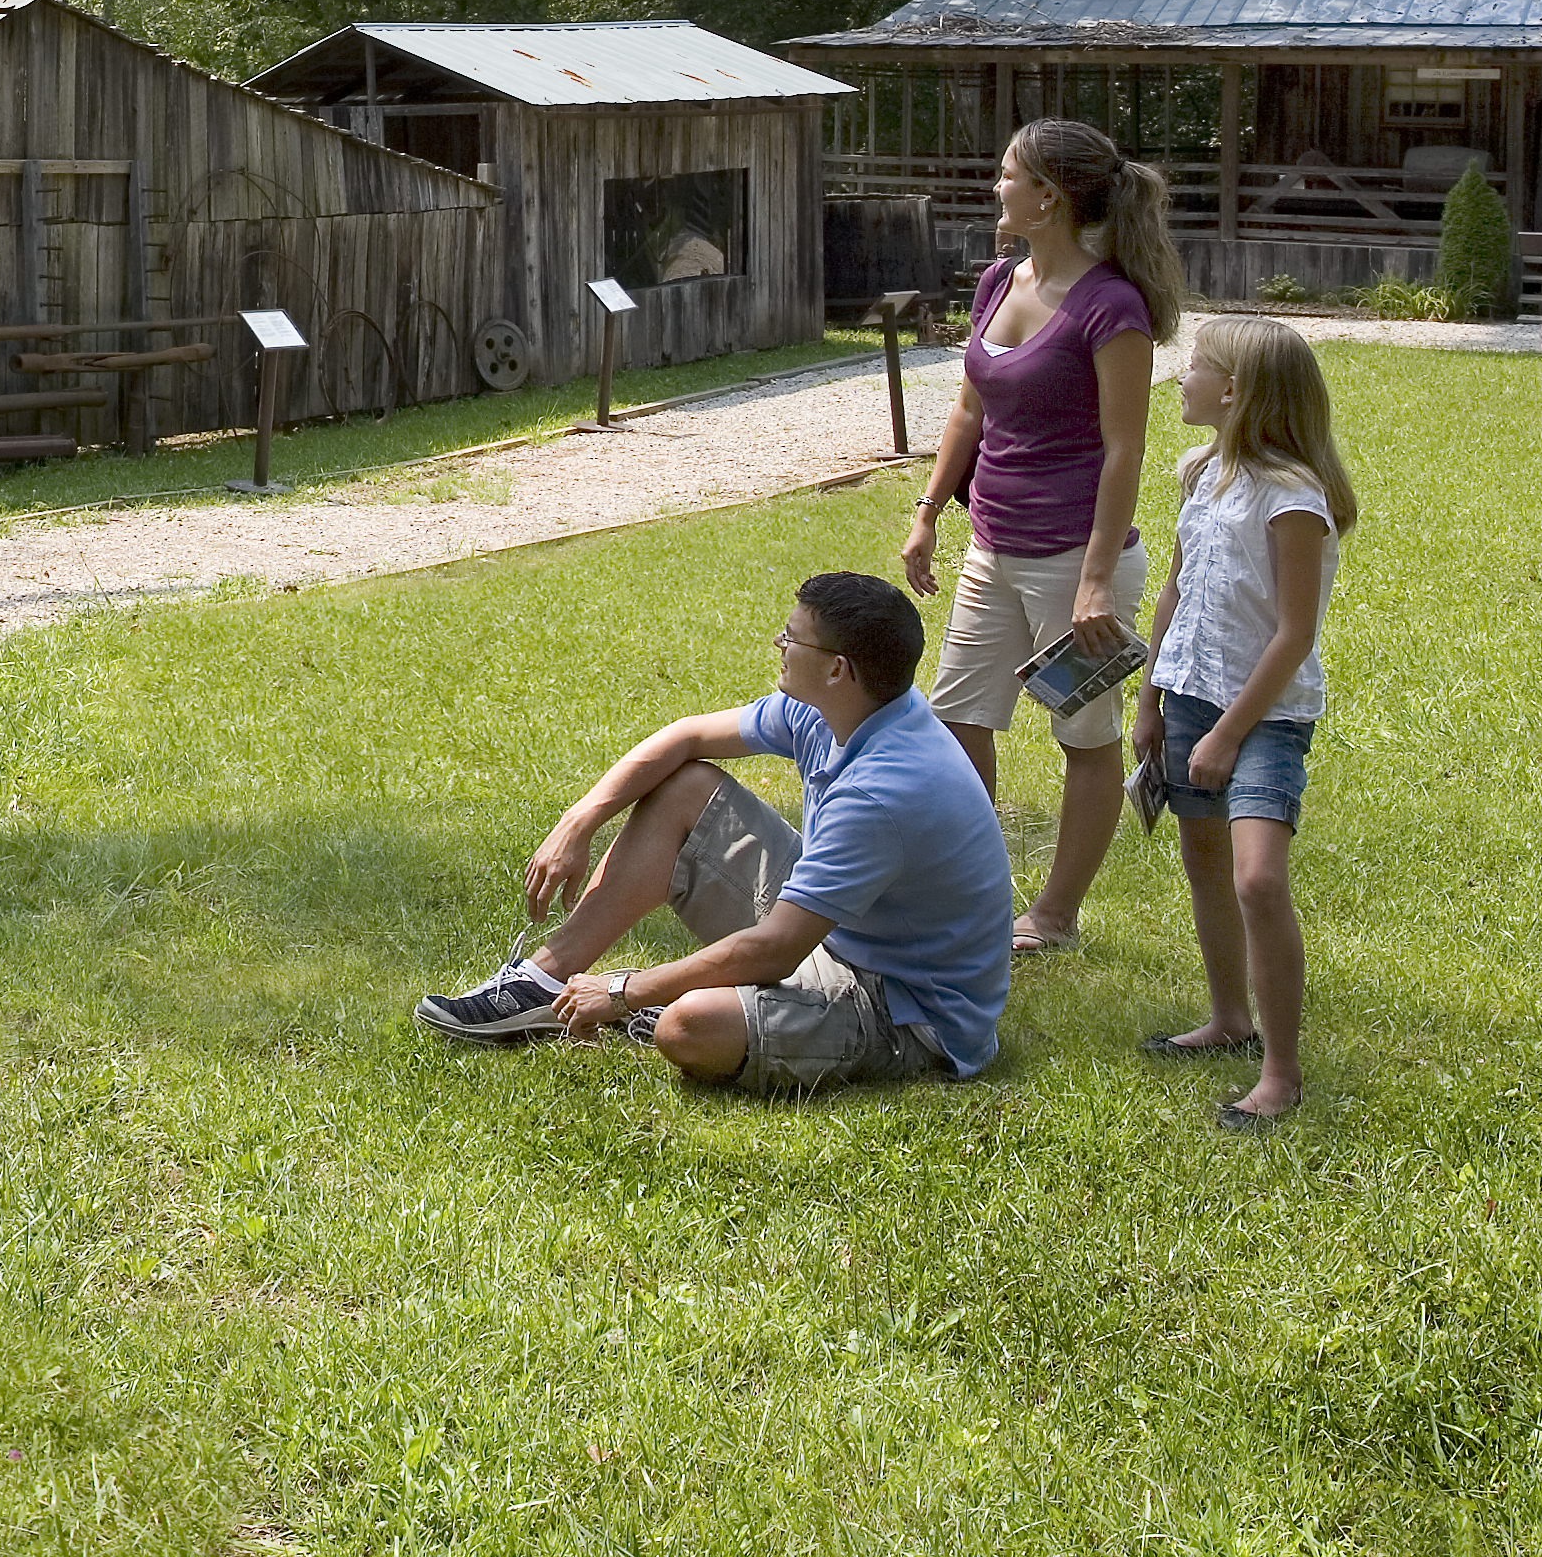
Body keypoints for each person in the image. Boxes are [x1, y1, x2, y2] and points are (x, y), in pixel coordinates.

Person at [411, 571, 1013, 1091]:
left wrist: (626, 990)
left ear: (837, 669)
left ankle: (638, 1007)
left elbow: (776, 947)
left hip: (906, 1009)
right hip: (841, 933)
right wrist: (581, 819)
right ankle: (542, 983)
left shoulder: (883, 791)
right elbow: (688, 737)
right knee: (685, 788)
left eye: (791, 637)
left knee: (688, 1026)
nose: (778, 644)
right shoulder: (832, 709)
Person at [900, 116, 1185, 953]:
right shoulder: (999, 281)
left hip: (1074, 563)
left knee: (1083, 736)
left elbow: (1124, 449)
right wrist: (926, 513)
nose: (997, 188)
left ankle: (1054, 916)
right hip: (992, 547)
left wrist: (1097, 578)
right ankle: (976, 894)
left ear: (1050, 196)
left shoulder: (1112, 307)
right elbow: (968, 407)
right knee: (957, 721)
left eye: (1007, 176)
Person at [1133, 317, 1354, 1128]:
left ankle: (1281, 1071)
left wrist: (1229, 733)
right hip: (1188, 696)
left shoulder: (1293, 497)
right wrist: (1151, 700)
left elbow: (1295, 633)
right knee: (1204, 861)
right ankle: (1229, 1019)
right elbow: (1176, 594)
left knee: (1257, 878)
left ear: (1234, 391)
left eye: (1194, 367)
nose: (1180, 378)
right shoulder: (1201, 474)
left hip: (1262, 716)